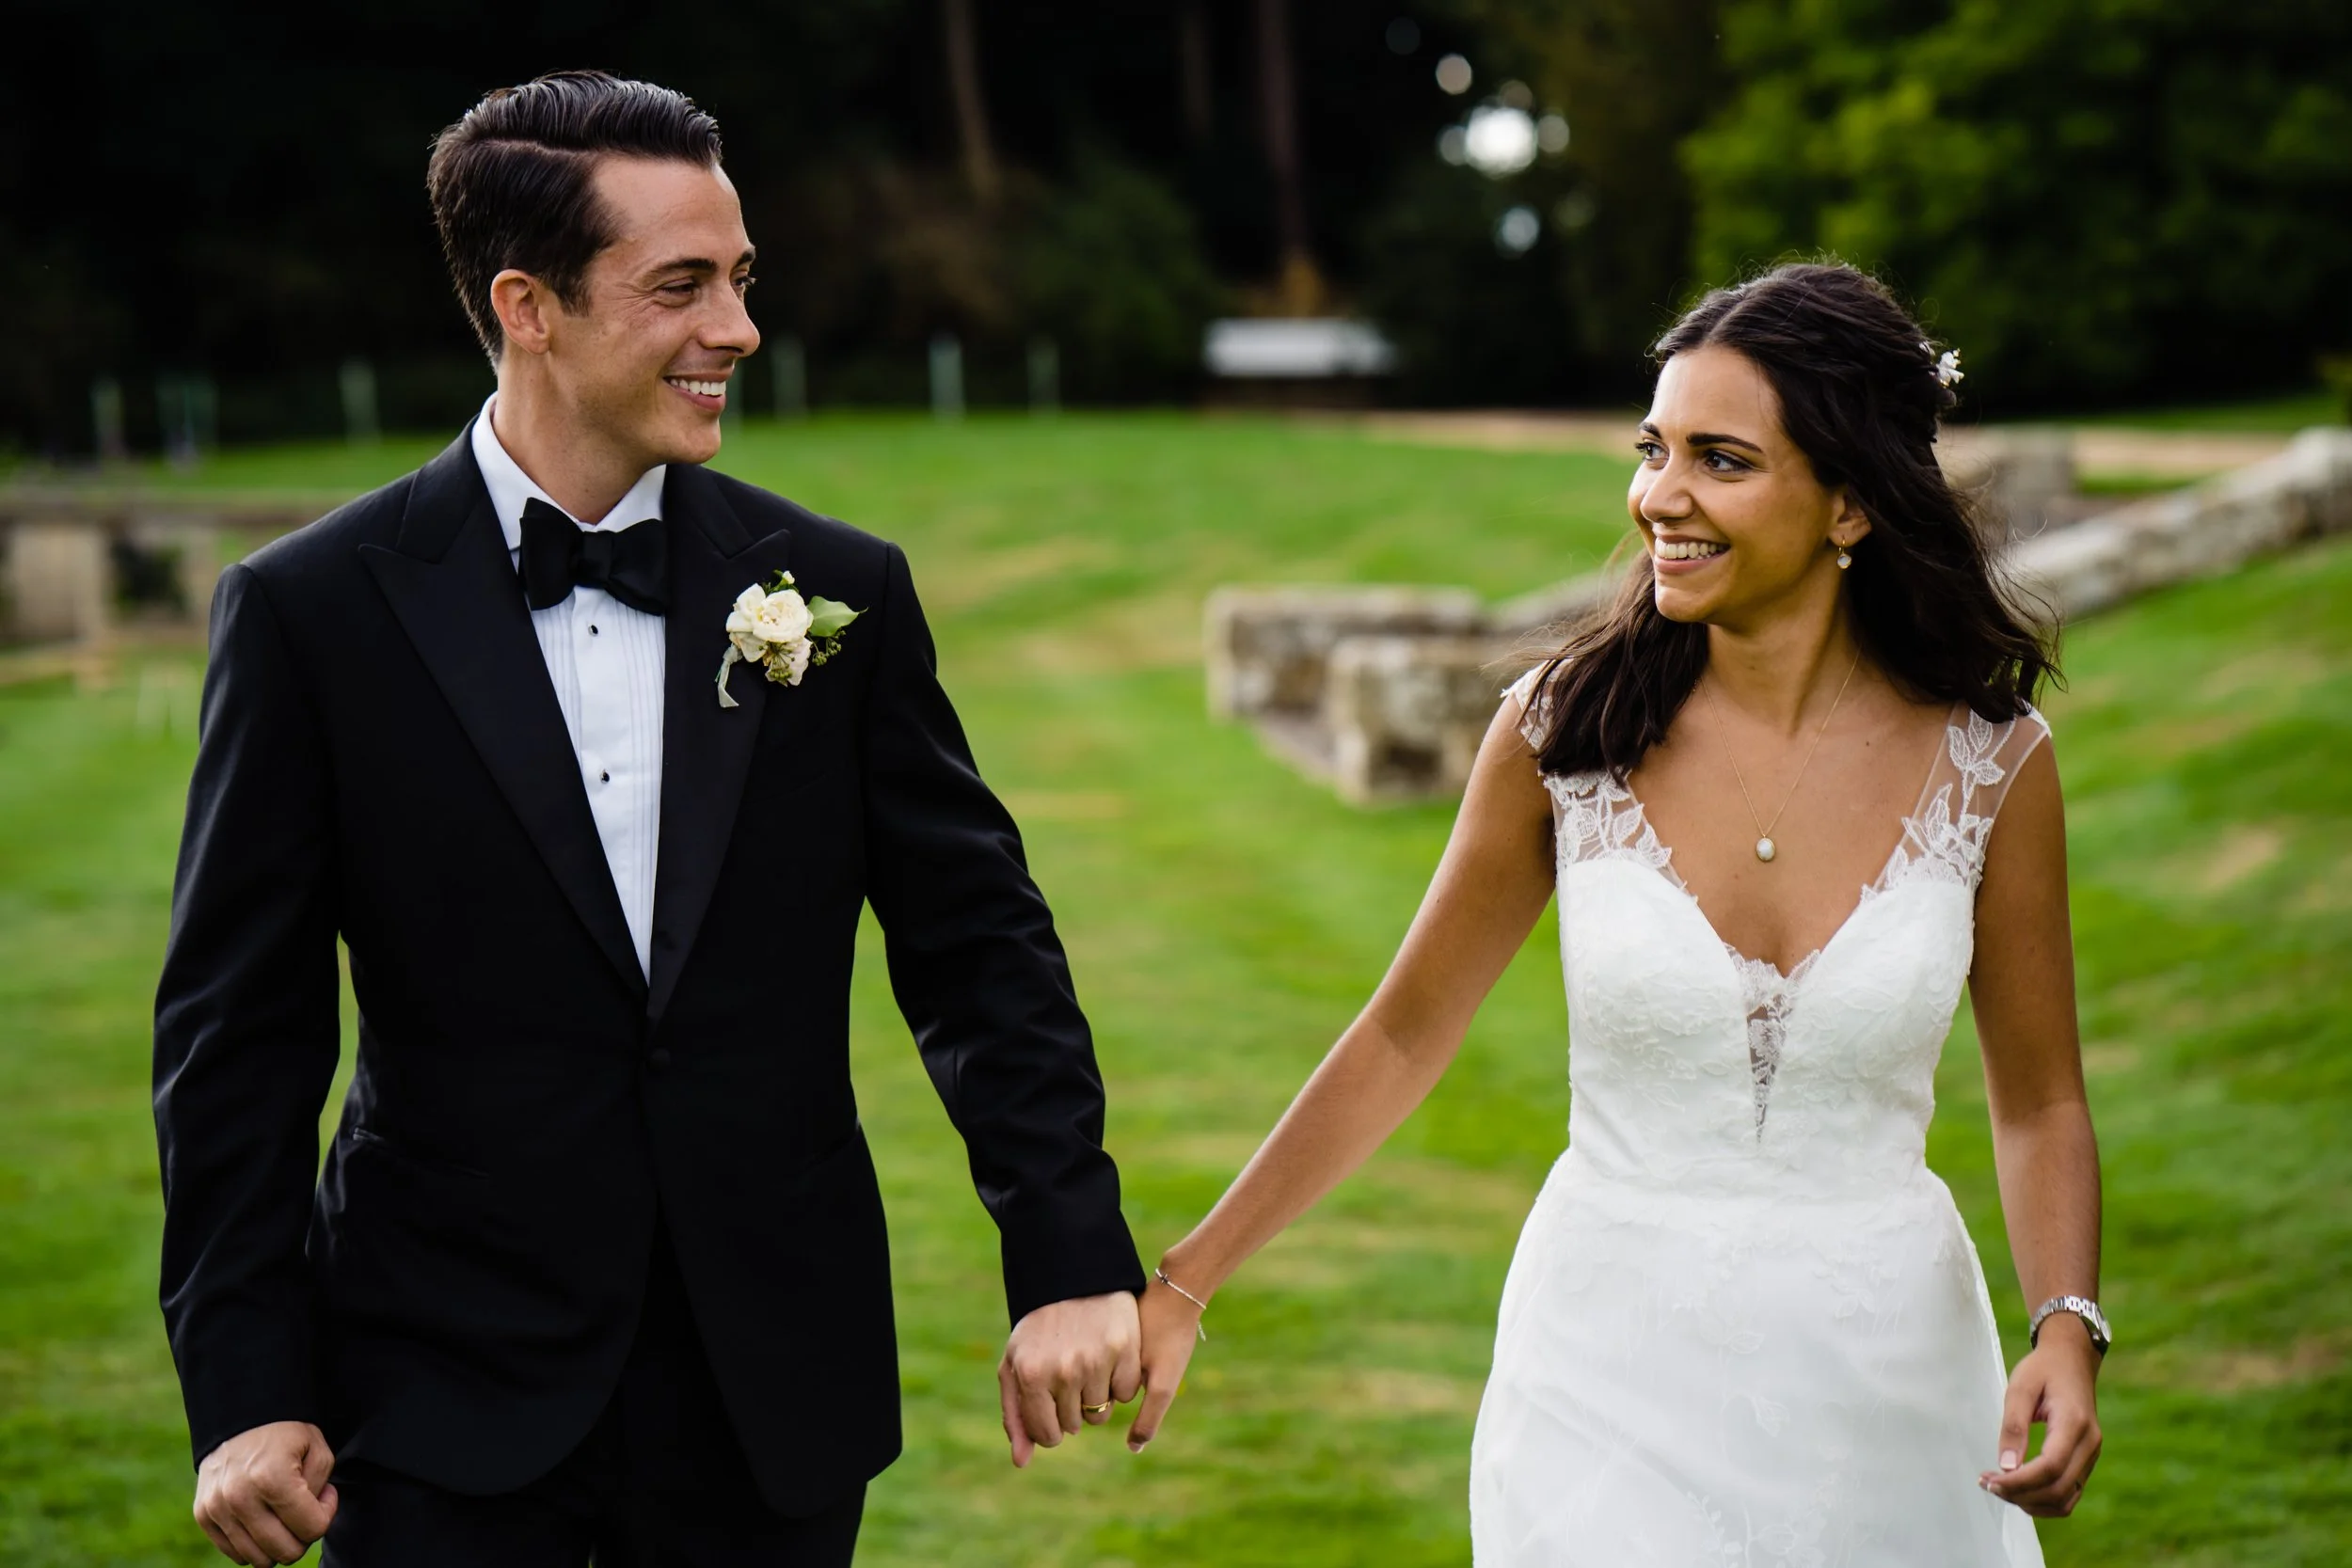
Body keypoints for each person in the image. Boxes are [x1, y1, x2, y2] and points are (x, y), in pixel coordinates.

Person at [152, 71, 1143, 1568]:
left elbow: (980, 947)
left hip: (772, 1389)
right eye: (681, 286)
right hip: (431, 1395)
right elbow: (239, 1033)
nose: (737, 329)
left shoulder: (840, 590)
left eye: (741, 280)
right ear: (527, 306)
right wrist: (244, 1388)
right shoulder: (311, 613)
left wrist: (1068, 1259)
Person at [1127, 262, 2106, 1564]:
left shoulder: (1994, 763)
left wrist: (2063, 1325)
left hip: (1895, 1388)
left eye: (1722, 459)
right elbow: (1404, 1034)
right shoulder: (1559, 734)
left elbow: (2040, 1098)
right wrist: (1189, 1273)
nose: (1660, 497)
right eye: (1654, 449)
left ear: (1852, 504)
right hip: (1603, 1373)